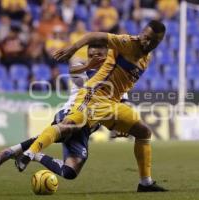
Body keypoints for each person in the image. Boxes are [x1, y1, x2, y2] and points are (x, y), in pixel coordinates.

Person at [15, 20, 167, 192]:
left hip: (111, 104)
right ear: (141, 33)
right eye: (146, 37)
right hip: (93, 95)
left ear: (158, 43)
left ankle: (145, 183)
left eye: (153, 41)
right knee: (68, 126)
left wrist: (119, 122)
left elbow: (122, 83)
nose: (147, 42)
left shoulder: (146, 58)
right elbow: (94, 36)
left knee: (144, 132)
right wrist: (73, 48)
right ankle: (29, 153)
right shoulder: (127, 43)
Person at [0, 43, 126, 179]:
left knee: (70, 172)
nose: (94, 59)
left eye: (99, 56)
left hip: (88, 127)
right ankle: (11, 151)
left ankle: (34, 155)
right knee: (67, 129)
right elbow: (75, 72)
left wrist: (120, 127)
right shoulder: (82, 70)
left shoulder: (117, 78)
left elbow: (122, 104)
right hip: (70, 113)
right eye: (91, 56)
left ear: (107, 56)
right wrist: (89, 65)